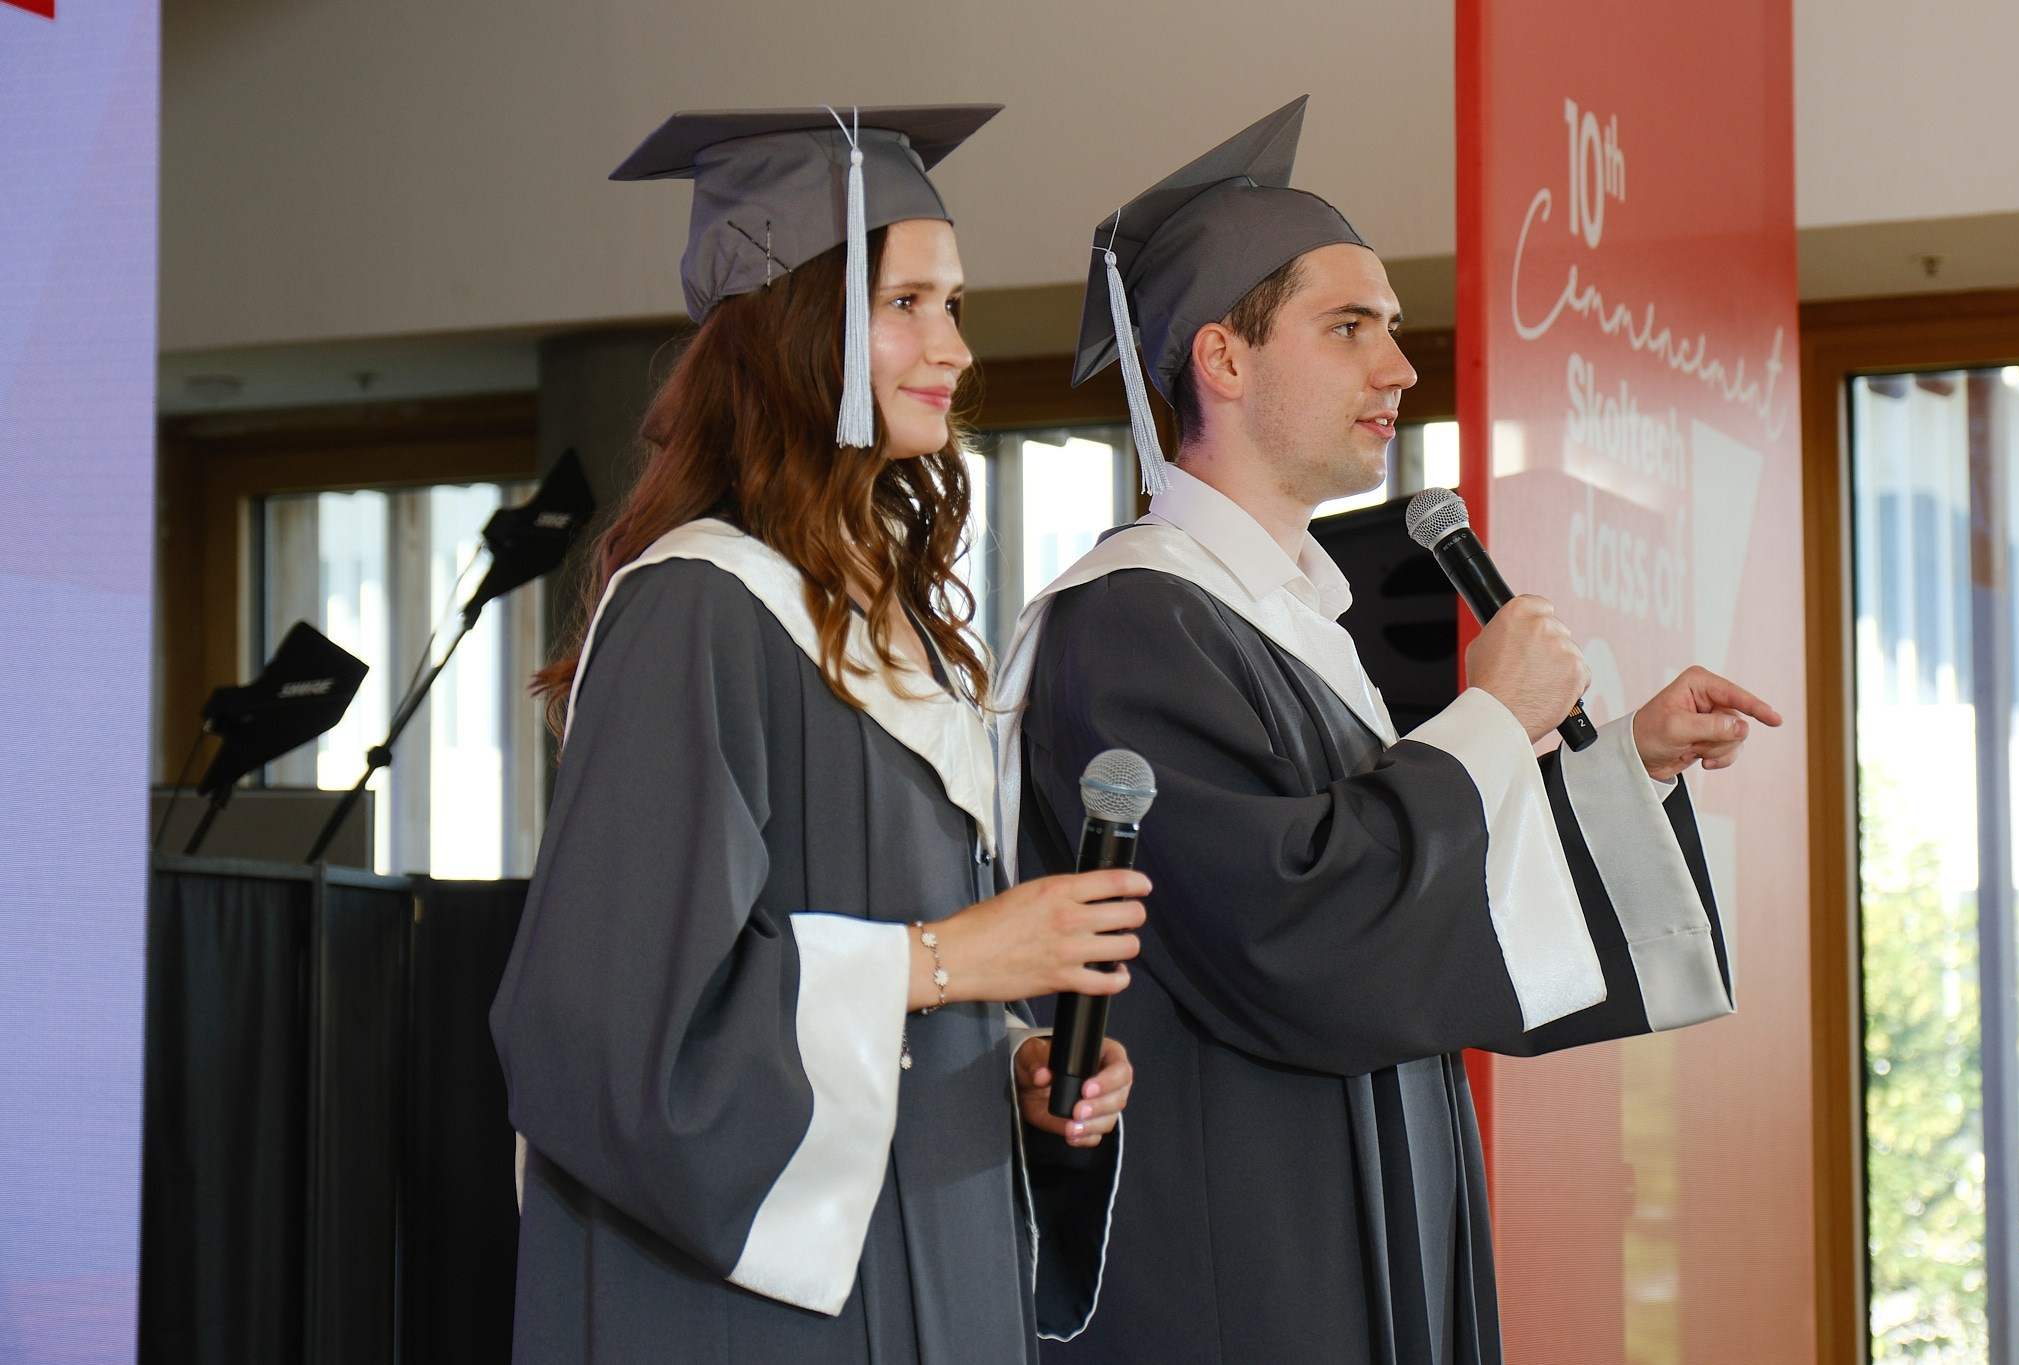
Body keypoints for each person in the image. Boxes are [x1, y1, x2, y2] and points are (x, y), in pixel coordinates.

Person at [995, 96, 1783, 1364]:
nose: (1398, 370)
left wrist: (1618, 763)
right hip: (1241, 1239)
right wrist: (1487, 717)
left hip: (1361, 1195)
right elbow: (1295, 927)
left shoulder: (1293, 621)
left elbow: (1404, 879)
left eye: (1393, 331)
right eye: (1348, 327)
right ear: (1224, 360)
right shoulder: (1133, 621)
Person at [492, 104, 1142, 1364]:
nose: (951, 345)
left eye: (951, 304)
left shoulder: (882, 619)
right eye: (906, 302)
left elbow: (881, 969)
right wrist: (950, 963)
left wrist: (996, 1059)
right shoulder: (696, 607)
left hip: (924, 1244)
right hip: (757, 1304)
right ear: (799, 330)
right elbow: (616, 1029)